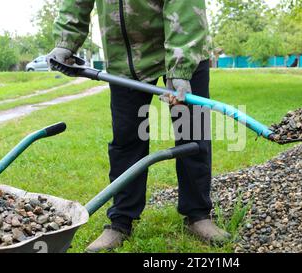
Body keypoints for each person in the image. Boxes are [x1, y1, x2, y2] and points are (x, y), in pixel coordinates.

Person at [47, 0, 230, 253]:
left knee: (192, 133)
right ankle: (120, 221)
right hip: (124, 58)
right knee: (126, 139)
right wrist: (65, 42)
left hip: (184, 48)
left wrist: (181, 68)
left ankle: (198, 215)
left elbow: (185, 5)